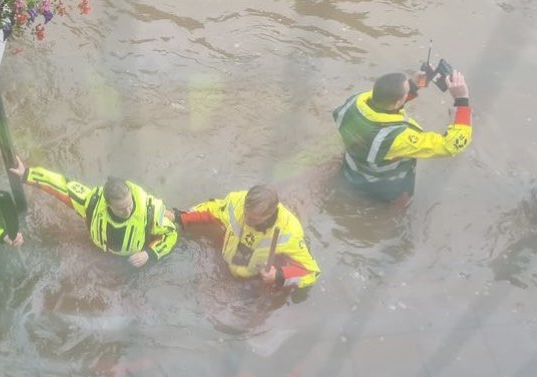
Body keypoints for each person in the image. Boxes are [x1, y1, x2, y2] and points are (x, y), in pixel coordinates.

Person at [333, 70, 472, 203]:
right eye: (406, 93)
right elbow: (451, 146)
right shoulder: (397, 138)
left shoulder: (355, 101)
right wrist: (462, 101)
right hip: (381, 185)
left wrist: (412, 86)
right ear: (397, 102)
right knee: (401, 204)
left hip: (352, 166)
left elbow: (386, 101)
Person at [8, 157, 177, 267]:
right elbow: (61, 186)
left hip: (133, 261)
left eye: (129, 205)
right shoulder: (92, 202)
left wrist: (149, 254)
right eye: (121, 208)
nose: (128, 211)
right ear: (108, 205)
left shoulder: (149, 211)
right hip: (101, 253)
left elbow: (171, 234)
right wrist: (27, 174)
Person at [171, 185, 321, 289]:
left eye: (253, 219)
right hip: (227, 260)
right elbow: (213, 209)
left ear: (269, 215)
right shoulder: (237, 201)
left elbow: (311, 271)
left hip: (254, 279)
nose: (246, 220)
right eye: (245, 214)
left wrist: (279, 276)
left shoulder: (289, 233)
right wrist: (180, 217)